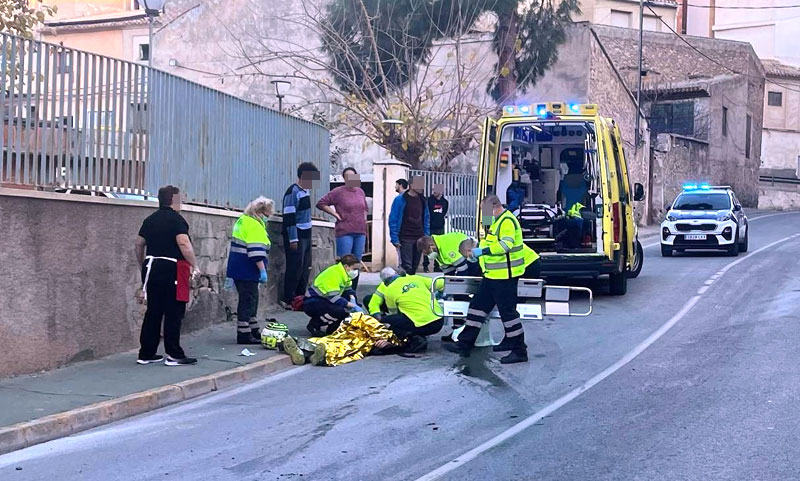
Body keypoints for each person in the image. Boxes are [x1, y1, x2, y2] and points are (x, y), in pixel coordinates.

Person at [443, 195, 539, 364]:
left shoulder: (507, 221)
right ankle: (465, 343)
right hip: (491, 276)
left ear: (493, 206)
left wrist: (482, 252)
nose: (483, 214)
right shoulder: (494, 223)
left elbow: (505, 246)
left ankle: (519, 350)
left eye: (484, 210)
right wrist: (476, 255)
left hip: (504, 277)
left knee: (508, 314)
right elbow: (488, 244)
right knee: (477, 308)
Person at [133, 185, 198, 366]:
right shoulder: (177, 220)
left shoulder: (150, 220)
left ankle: (146, 353)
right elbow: (183, 243)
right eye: (180, 199)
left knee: (153, 311)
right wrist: (195, 264)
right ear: (173, 200)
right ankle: (174, 354)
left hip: (152, 267)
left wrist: (142, 265)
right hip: (172, 268)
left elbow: (139, 244)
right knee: (174, 311)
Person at [226, 196, 274, 344]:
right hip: (248, 269)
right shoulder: (254, 225)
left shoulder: (243, 221)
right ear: (260, 212)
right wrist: (262, 271)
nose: (268, 218)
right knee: (248, 300)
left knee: (250, 300)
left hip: (237, 267)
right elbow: (256, 252)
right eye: (267, 215)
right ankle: (244, 334)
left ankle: (253, 329)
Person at [316, 167, 368, 290]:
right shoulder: (338, 192)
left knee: (356, 263)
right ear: (344, 178)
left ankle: (352, 292)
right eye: (348, 176)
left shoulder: (360, 192)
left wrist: (364, 219)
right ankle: (340, 290)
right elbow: (321, 203)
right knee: (345, 262)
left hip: (360, 231)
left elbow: (365, 208)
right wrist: (335, 214)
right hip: (345, 231)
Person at [371, 268, 444, 353]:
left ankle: (413, 338)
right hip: (438, 321)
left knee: (386, 322)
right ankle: (416, 334)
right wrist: (440, 294)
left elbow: (393, 313)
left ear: (385, 282)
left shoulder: (389, 290)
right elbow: (443, 283)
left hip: (423, 325)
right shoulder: (416, 278)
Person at [281, 162, 320, 310]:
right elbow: (289, 216)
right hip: (296, 235)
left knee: (305, 267)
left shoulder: (306, 192)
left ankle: (300, 297)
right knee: (294, 267)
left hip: (306, 234)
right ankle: (289, 298)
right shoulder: (293, 192)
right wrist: (293, 238)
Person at [303, 254, 362, 336]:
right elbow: (333, 297)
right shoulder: (334, 274)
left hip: (324, 300)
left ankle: (333, 329)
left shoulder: (345, 274)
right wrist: (352, 305)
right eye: (355, 269)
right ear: (346, 266)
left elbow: (348, 289)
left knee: (347, 310)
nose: (356, 272)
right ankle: (314, 325)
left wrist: (353, 299)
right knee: (339, 311)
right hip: (313, 302)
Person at [389, 176, 430, 275]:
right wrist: (394, 238)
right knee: (407, 266)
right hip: (405, 236)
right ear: (411, 185)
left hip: (419, 237)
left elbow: (426, 218)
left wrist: (426, 236)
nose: (421, 186)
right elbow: (393, 219)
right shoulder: (400, 199)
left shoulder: (423, 200)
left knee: (415, 266)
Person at [416, 233, 481, 277]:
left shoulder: (446, 248)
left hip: (474, 257)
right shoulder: (438, 251)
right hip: (469, 257)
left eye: (428, 253)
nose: (429, 256)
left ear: (432, 246)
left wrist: (456, 287)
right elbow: (449, 273)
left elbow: (462, 268)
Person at [423, 184, 448, 272]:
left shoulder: (445, 202)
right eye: (433, 189)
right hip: (430, 227)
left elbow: (444, 213)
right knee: (427, 246)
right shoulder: (429, 201)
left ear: (441, 191)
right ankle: (425, 266)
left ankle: (437, 266)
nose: (433, 191)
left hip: (440, 227)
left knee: (439, 247)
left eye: (435, 190)